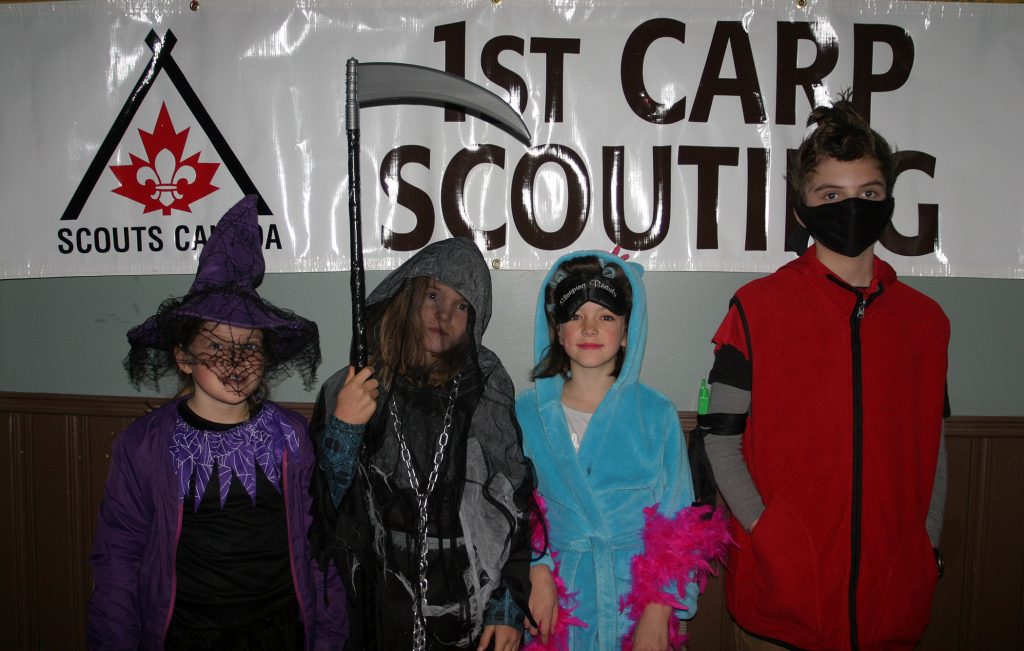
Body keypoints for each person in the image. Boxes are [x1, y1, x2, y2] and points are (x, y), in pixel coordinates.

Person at [694, 94, 950, 651]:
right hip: (784, 601)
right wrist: (770, 535)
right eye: (831, 194)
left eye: (869, 193)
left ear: (887, 201)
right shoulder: (755, 310)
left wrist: (922, 546)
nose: (851, 207)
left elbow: (935, 446)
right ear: (802, 208)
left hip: (893, 600)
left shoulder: (927, 323)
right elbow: (720, 440)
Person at [88, 195, 348, 650]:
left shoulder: (291, 436)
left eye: (249, 346)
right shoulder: (145, 445)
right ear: (183, 357)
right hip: (184, 633)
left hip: (280, 630)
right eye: (214, 346)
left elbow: (318, 546)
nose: (235, 361)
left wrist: (328, 636)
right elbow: (118, 557)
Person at [308, 237, 536, 651]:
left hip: (469, 606)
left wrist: (507, 605)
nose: (444, 314)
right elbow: (328, 516)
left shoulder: (487, 387)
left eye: (461, 304)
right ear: (409, 295)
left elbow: (515, 505)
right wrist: (344, 430)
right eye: (433, 295)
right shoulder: (353, 386)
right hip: (380, 604)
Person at [515, 250, 730, 651]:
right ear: (557, 332)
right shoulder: (527, 413)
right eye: (575, 316)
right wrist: (537, 571)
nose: (590, 327)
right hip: (558, 602)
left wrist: (658, 609)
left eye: (606, 317)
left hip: (635, 603)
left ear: (628, 332)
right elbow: (515, 506)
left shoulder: (656, 414)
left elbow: (676, 517)